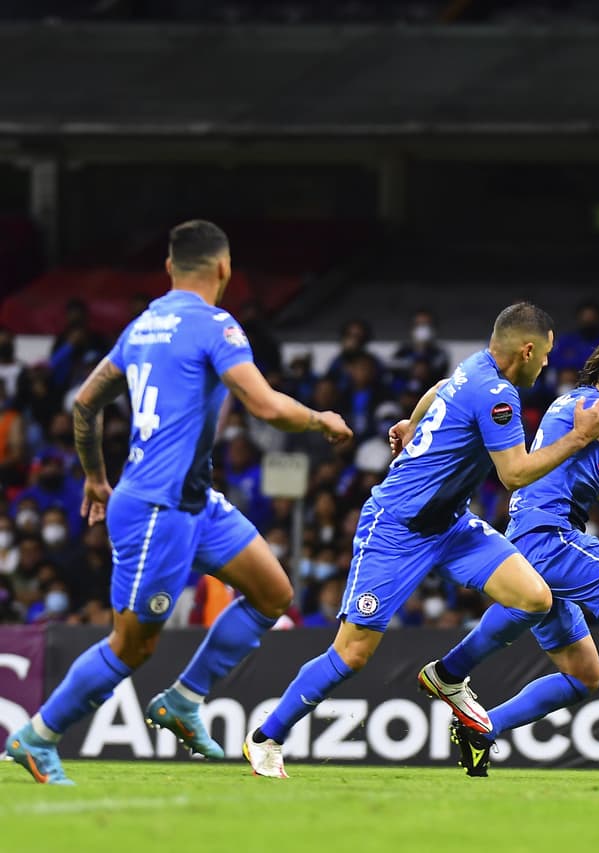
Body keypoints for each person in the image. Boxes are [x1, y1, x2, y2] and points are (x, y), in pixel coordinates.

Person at [5, 220, 353, 785]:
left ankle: (183, 701)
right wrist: (319, 420)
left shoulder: (142, 326)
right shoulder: (216, 325)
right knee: (131, 645)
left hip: (195, 501)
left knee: (272, 593)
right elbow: (263, 406)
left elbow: (86, 404)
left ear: (169, 268)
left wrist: (95, 477)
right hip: (156, 509)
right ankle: (37, 737)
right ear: (224, 269)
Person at [243, 302, 599, 779]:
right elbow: (515, 474)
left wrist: (413, 423)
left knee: (534, 597)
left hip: (450, 525)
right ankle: (266, 737)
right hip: (396, 528)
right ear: (526, 349)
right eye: (544, 355)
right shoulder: (497, 394)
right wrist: (579, 438)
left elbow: (439, 389)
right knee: (351, 653)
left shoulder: (472, 369)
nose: (547, 365)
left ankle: (448, 675)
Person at [418, 335, 599, 778]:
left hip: (532, 540)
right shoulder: (592, 406)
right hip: (551, 537)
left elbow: (590, 478)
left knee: (583, 676)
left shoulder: (572, 408)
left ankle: (483, 727)